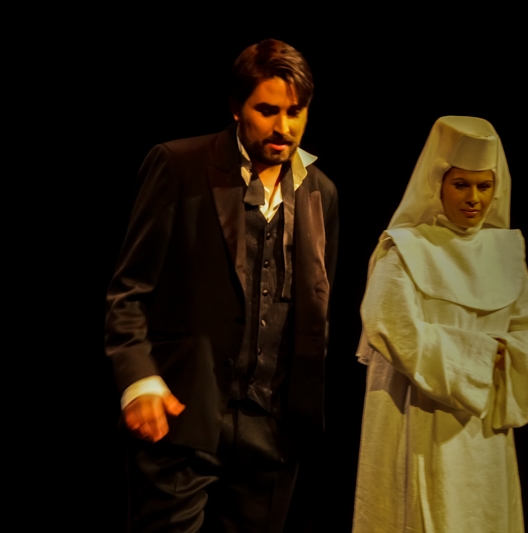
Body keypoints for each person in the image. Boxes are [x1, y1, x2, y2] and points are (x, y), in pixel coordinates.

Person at [105, 39, 338, 532]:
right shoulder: (179, 165)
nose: (283, 127)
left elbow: (317, 310)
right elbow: (129, 293)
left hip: (271, 434)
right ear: (236, 107)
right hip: (184, 418)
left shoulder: (320, 192)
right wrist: (138, 379)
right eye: (267, 110)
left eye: (295, 112)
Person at [352, 116, 528, 532]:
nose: (474, 198)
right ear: (437, 183)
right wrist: (479, 356)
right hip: (418, 415)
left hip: (483, 429)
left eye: (484, 186)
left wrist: (508, 353)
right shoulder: (405, 249)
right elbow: (389, 324)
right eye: (461, 184)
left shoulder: (505, 252)